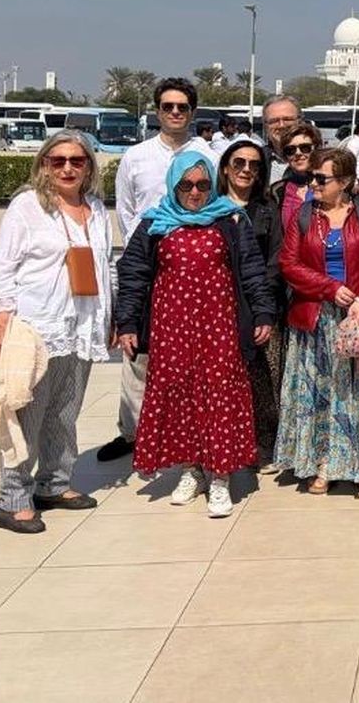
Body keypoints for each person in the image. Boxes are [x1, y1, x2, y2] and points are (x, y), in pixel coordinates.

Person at [114, 151, 276, 518]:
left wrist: (263, 311)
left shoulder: (231, 219)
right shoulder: (155, 224)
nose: (195, 192)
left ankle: (220, 477)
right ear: (173, 185)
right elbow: (134, 273)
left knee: (219, 394)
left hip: (218, 326)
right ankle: (192, 470)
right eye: (186, 185)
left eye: (203, 185)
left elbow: (252, 269)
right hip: (172, 328)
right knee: (181, 395)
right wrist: (127, 322)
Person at [0, 131, 112, 533]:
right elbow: (3, 266)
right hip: (37, 325)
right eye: (58, 161)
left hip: (82, 322)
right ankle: (13, 498)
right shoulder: (27, 207)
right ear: (44, 164)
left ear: (89, 166)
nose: (68, 168)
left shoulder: (94, 208)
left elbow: (106, 264)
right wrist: (0, 319)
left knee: (64, 410)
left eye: (77, 160)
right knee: (27, 414)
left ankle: (54, 483)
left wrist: (110, 316)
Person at [98, 77, 214, 464]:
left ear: (193, 112)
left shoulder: (208, 155)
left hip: (194, 269)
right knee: (138, 353)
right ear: (157, 111)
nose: (175, 113)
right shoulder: (137, 157)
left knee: (191, 358)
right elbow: (128, 212)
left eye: (182, 107)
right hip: (148, 265)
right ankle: (132, 432)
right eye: (168, 107)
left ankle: (185, 435)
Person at [276, 147, 359, 494]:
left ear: (344, 182)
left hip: (358, 317)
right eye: (313, 176)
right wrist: (329, 288)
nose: (312, 182)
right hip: (316, 317)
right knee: (321, 394)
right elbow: (289, 264)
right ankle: (323, 463)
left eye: (321, 178)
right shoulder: (304, 215)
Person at [216, 137, 287, 469]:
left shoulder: (266, 210)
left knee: (264, 378)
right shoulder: (210, 208)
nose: (246, 170)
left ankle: (265, 443)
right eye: (239, 163)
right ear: (226, 168)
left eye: (254, 165)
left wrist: (261, 305)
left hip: (260, 307)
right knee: (223, 381)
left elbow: (276, 259)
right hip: (217, 308)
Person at [270, 122, 322, 228]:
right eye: (290, 150)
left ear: (316, 149)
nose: (298, 153)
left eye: (305, 148)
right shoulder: (277, 191)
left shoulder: (331, 184)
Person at [261, 94, 303, 184]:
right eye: (274, 121)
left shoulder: (320, 161)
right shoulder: (256, 160)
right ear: (265, 125)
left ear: (300, 121)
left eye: (287, 119)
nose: (281, 125)